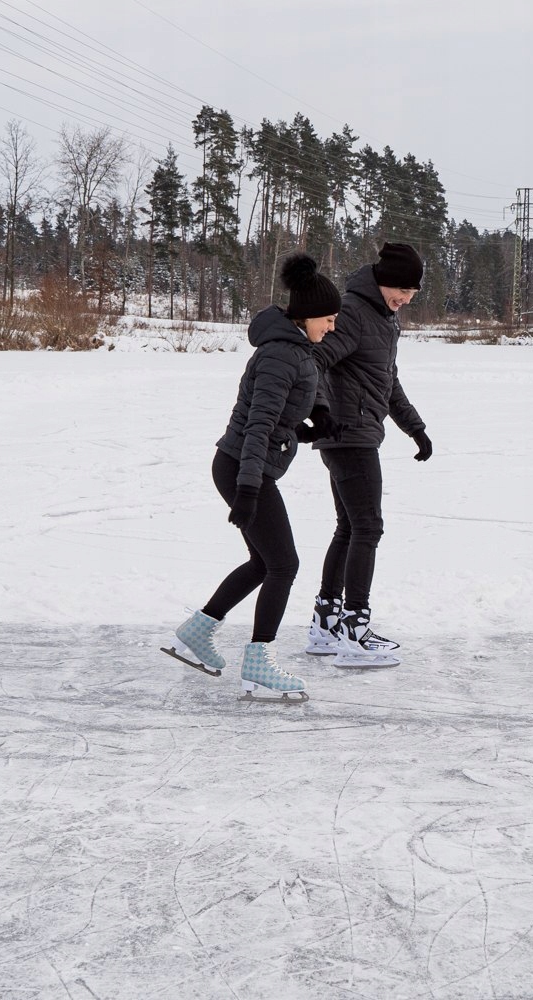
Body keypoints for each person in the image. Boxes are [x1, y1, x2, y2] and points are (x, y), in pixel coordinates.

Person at [163, 253, 342, 703]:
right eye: (328, 318)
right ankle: (259, 664)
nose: (332, 326)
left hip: (245, 464)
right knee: (284, 565)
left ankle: (198, 630)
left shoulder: (296, 349)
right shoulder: (282, 354)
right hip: (246, 467)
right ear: (306, 316)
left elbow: (292, 401)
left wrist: (314, 420)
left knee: (265, 563)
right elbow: (258, 425)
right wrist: (247, 490)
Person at [304, 241, 433, 667]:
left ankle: (327, 624)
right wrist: (320, 412)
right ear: (385, 282)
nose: (407, 299)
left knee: (349, 527)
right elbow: (315, 360)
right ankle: (355, 631)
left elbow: (386, 381)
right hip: (348, 435)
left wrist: (415, 428)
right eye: (403, 290)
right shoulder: (355, 312)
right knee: (368, 528)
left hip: (355, 433)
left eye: (412, 293)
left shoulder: (382, 318)